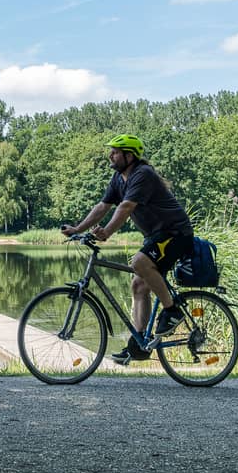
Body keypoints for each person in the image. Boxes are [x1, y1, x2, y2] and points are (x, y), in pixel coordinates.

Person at [61, 134, 193, 364]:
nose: (110, 155)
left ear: (129, 155)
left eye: (116, 151)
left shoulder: (142, 174)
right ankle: (139, 345)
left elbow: (126, 207)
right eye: (111, 151)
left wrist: (107, 232)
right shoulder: (118, 179)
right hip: (156, 236)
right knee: (139, 285)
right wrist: (77, 229)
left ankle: (172, 312)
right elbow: (103, 206)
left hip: (175, 234)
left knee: (139, 263)